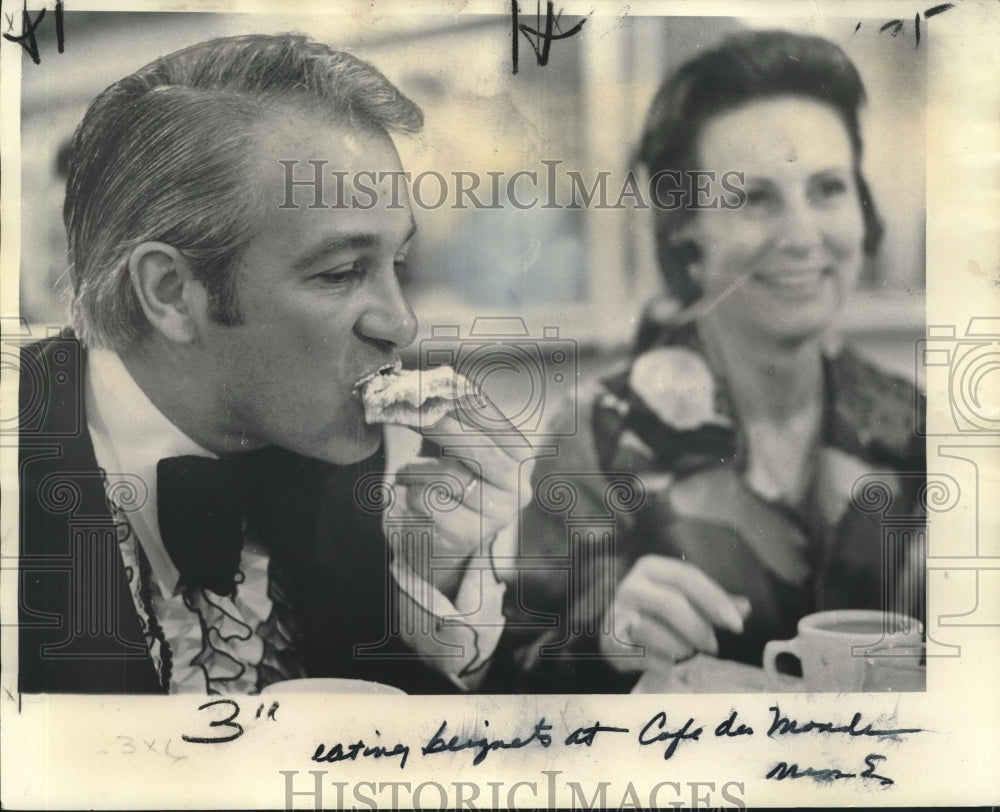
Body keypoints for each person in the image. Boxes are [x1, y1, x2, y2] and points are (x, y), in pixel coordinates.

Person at [17, 33, 532, 694]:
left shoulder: (376, 473)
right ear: (171, 293)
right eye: (344, 272)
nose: (401, 324)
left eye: (398, 263)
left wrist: (440, 577)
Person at [504, 28, 926, 691]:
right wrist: (603, 647)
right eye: (754, 198)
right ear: (684, 227)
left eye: (828, 189)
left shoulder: (920, 427)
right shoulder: (597, 436)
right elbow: (509, 688)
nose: (801, 236)